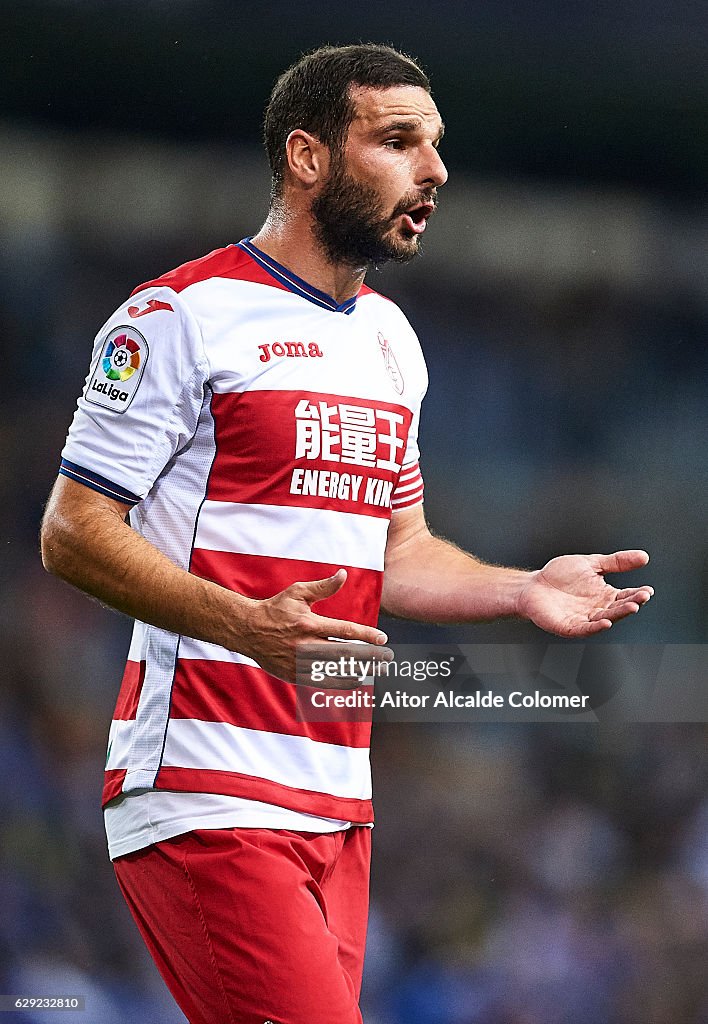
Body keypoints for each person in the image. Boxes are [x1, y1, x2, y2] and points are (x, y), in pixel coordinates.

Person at [40, 43, 653, 1024]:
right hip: (206, 787)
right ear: (308, 157)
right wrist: (243, 624)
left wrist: (518, 585)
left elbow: (398, 547)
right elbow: (71, 531)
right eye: (399, 141)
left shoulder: (389, 342)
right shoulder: (179, 317)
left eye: (438, 147)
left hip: (337, 799)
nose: (435, 171)